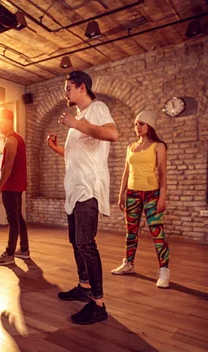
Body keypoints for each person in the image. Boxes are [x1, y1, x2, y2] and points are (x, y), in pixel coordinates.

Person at [46, 71, 118, 325]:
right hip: (75, 189)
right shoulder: (80, 118)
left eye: (68, 88)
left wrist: (76, 124)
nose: (65, 93)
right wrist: (58, 149)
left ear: (81, 87)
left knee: (86, 243)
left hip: (88, 188)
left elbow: (112, 134)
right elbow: (78, 155)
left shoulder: (96, 108)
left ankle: (98, 304)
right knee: (76, 241)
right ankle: (83, 285)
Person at [112, 111, 170, 288]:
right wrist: (121, 194)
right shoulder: (130, 147)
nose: (137, 127)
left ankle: (164, 271)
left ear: (149, 126)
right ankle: (128, 264)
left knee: (157, 233)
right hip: (132, 194)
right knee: (131, 232)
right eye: (136, 124)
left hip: (151, 194)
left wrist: (162, 197)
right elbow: (126, 172)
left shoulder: (158, 146)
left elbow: (162, 173)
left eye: (141, 124)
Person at [0, 109, 30, 265]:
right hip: (17, 186)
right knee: (18, 218)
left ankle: (9, 253)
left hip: (10, 186)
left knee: (13, 220)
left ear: (7, 122)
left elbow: (8, 166)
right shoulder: (19, 139)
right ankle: (25, 249)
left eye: (0, 123)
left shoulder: (11, 140)